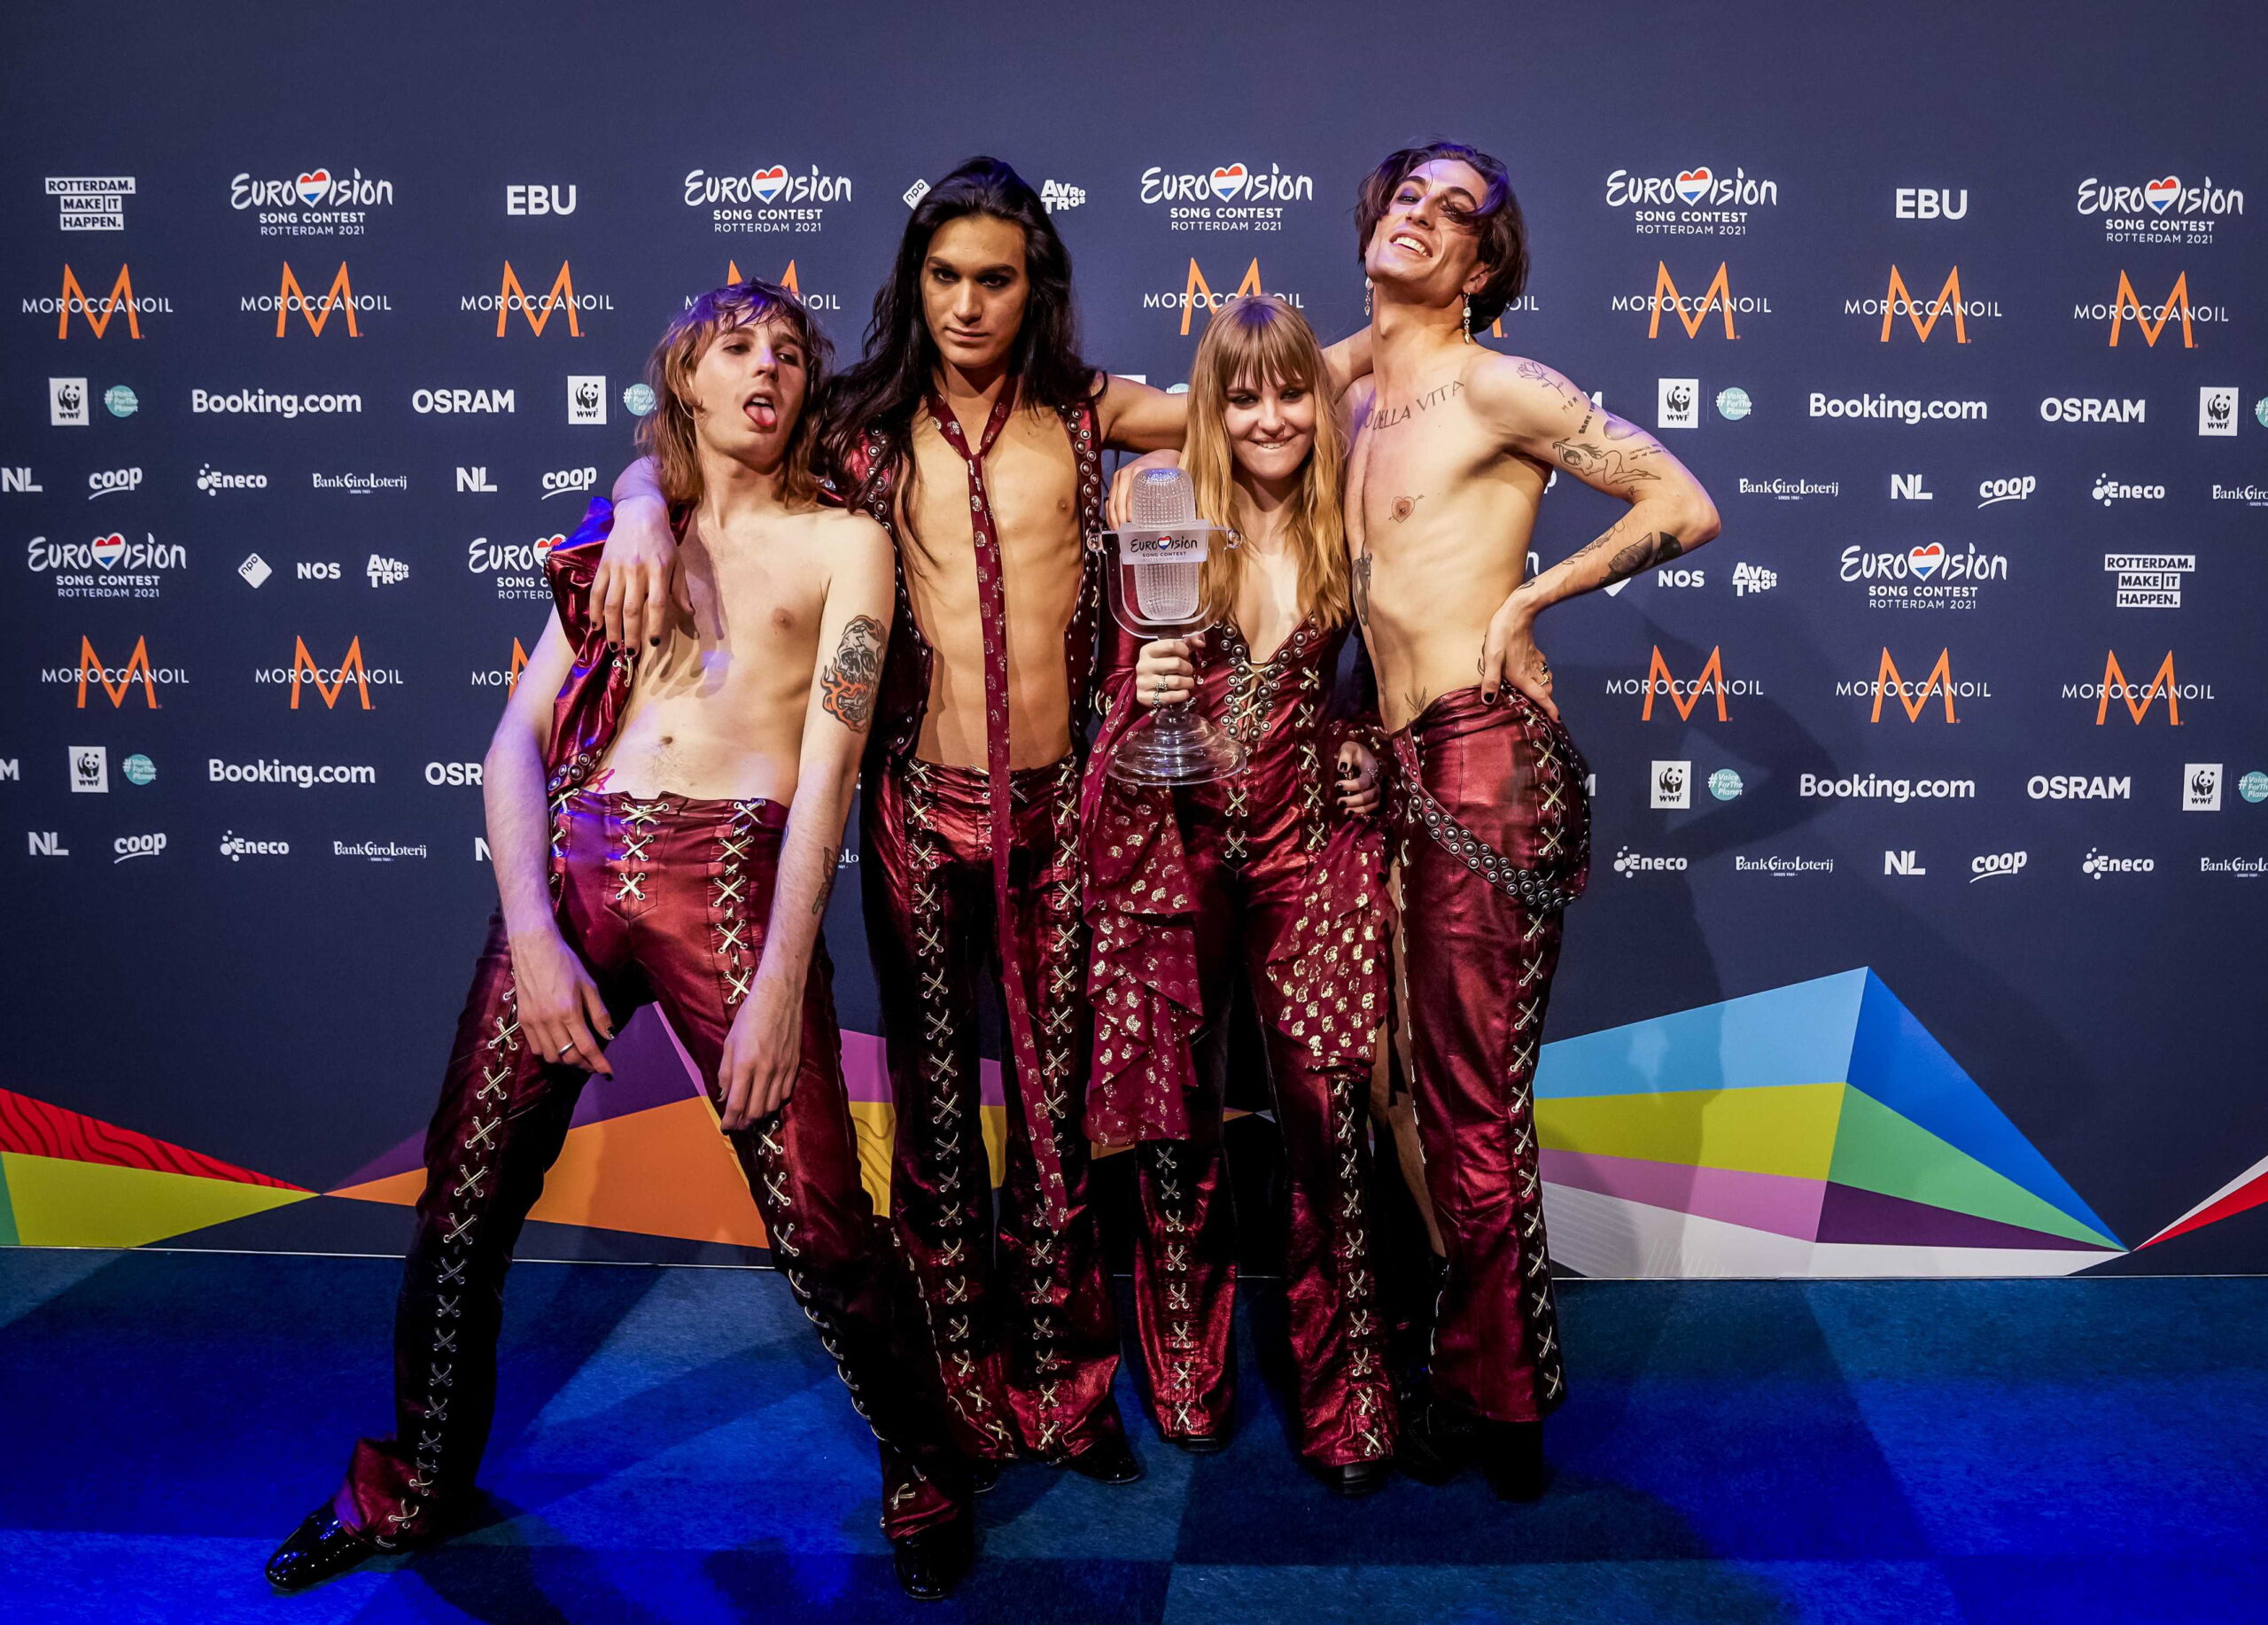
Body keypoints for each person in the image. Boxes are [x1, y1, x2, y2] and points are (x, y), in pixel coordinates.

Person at [264, 281, 980, 1601]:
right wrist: (535, 936)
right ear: (684, 381)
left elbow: (828, 775)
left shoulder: (845, 543)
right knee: (462, 1206)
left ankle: (929, 1470)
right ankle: (414, 1484)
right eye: (735, 346)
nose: (766, 367)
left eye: (788, 351)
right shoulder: (627, 537)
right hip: (577, 867)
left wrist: (780, 981)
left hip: (737, 881)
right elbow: (513, 744)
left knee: (825, 1228)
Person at [594, 159, 1203, 1481]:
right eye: (944, 277)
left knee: (1053, 1124)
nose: (967, 304)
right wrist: (636, 505)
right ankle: (955, 1386)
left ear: (1035, 286)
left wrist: (1395, 349)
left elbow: (1260, 398)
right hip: (917, 813)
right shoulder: (857, 423)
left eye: (994, 279)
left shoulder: (1087, 414)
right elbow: (687, 463)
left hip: (1060, 815)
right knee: (931, 1121)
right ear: (913, 282)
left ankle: (1065, 1388)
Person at [1344, 143, 1720, 1496]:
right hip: (1394, 763)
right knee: (1392, 1083)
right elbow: (1202, 402)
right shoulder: (1354, 387)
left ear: (1482, 265)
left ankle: (1502, 1407)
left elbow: (1684, 501)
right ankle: (1479, 1348)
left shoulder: (1498, 383)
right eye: (1409, 195)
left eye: (1456, 212)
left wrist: (1528, 601)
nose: (1422, 216)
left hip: (1484, 759)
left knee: (1467, 1102)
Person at [1083, 295, 1397, 1493]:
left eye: (1292, 391)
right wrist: (1141, 686)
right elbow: (1104, 706)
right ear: (1210, 407)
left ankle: (1346, 1390)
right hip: (1174, 842)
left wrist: (1367, 748)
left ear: (1322, 399)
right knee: (1176, 1112)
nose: (1270, 417)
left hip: (1307, 846)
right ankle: (1187, 1364)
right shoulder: (1159, 510)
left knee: (1327, 1118)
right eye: (1244, 395)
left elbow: (1394, 681)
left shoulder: (1352, 519)